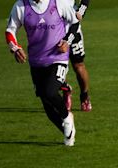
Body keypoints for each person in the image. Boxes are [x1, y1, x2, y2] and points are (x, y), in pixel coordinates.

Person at [5, 0, 80, 146]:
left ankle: (67, 117)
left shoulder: (58, 3)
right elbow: (10, 30)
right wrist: (15, 48)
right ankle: (68, 133)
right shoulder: (21, 6)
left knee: (49, 92)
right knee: (48, 107)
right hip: (36, 62)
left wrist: (67, 41)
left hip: (58, 58)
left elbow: (75, 22)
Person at [61, 0, 92, 112]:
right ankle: (65, 89)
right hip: (53, 32)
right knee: (52, 66)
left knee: (78, 65)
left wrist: (81, 11)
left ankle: (84, 96)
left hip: (73, 29)